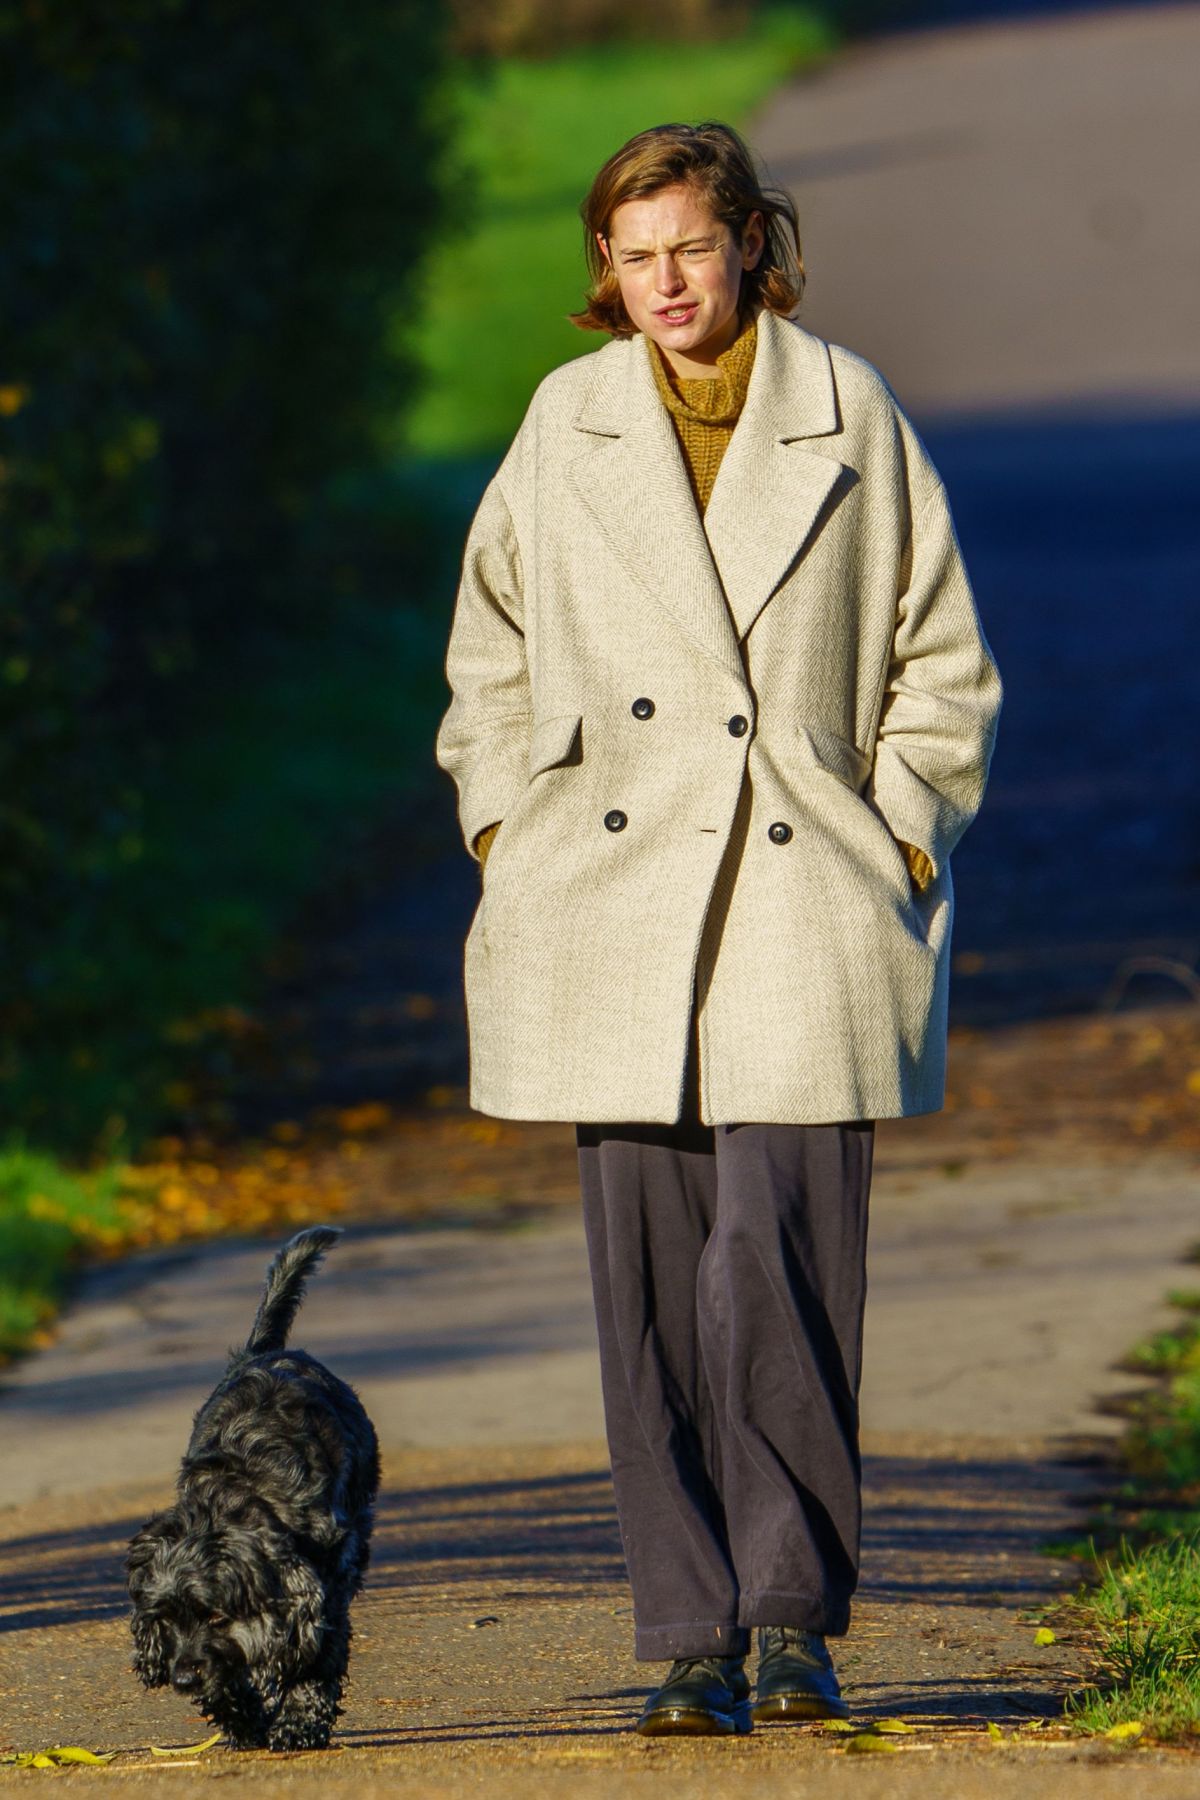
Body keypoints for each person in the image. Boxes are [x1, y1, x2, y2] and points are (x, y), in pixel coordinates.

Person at [435, 120, 1002, 1736]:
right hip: (613, 905)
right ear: (603, 275)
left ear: (752, 243)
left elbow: (939, 655)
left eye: (692, 244)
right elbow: (492, 649)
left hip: (804, 892)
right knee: (653, 1286)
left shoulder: (848, 413)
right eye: (634, 254)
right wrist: (503, 821)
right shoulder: (566, 424)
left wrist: (901, 825)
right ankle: (690, 1631)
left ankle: (790, 1620)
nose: (666, 281)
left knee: (784, 1268)